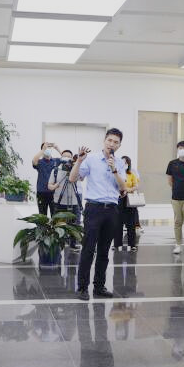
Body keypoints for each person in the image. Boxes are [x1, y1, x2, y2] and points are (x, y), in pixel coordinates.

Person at [70, 128, 128, 301]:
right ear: (104, 141)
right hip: (94, 208)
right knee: (88, 249)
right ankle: (82, 288)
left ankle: (99, 286)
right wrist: (79, 161)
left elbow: (123, 187)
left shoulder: (120, 163)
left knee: (104, 250)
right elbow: (73, 178)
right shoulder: (91, 159)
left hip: (112, 209)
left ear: (119, 145)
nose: (112, 144)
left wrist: (114, 170)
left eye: (116, 142)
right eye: (110, 140)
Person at [49, 149, 81, 250]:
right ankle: (58, 245)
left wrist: (76, 165)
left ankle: (73, 244)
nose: (66, 158)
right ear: (61, 158)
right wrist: (54, 186)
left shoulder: (75, 170)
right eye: (64, 156)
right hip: (59, 202)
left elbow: (82, 178)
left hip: (74, 202)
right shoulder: (55, 170)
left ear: (71, 158)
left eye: (68, 156)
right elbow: (49, 186)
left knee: (74, 225)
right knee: (59, 225)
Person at [113, 155, 140, 252]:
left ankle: (132, 245)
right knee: (117, 223)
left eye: (126, 162)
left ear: (128, 164)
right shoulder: (117, 174)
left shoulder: (131, 174)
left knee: (131, 224)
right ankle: (117, 245)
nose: (124, 164)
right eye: (122, 162)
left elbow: (136, 186)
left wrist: (127, 189)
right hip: (118, 199)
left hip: (129, 200)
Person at [32, 142, 61, 217]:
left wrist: (57, 148)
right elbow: (34, 161)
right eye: (46, 148)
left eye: (49, 148)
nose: (47, 149)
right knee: (42, 215)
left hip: (53, 192)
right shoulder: (40, 162)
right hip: (41, 192)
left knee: (54, 215)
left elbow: (66, 159)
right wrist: (43, 150)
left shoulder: (55, 161)